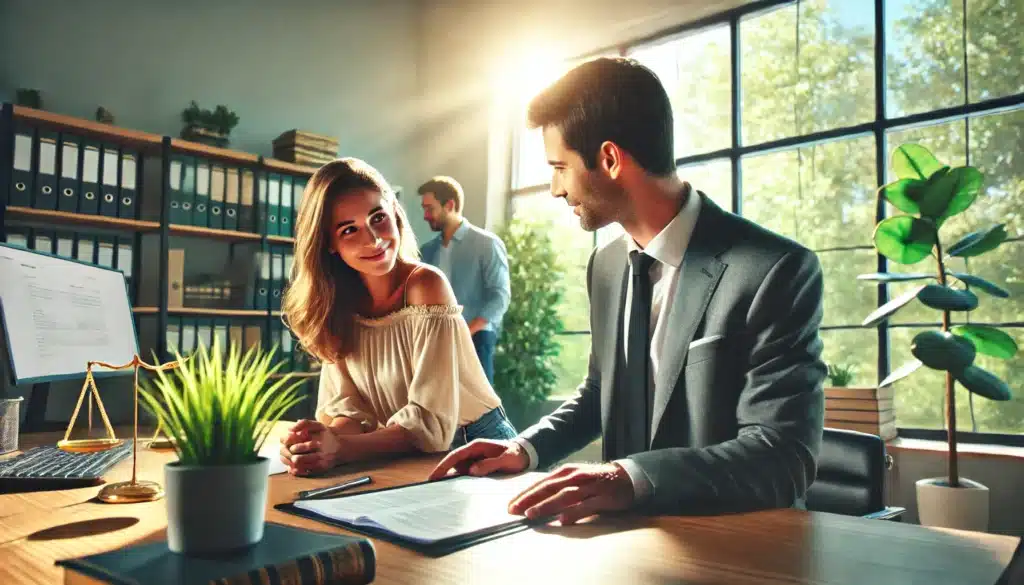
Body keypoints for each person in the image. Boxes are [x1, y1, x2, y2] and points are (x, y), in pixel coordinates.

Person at [429, 57, 827, 525]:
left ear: (611, 159)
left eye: (560, 167)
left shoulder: (774, 270)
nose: (556, 189)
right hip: (624, 546)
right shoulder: (607, 264)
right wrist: (525, 448)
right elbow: (602, 391)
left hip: (739, 545)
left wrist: (627, 477)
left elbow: (782, 457)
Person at [278, 158, 517, 476]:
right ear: (329, 244)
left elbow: (430, 424)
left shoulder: (426, 285)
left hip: (475, 447)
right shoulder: (338, 306)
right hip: (405, 451)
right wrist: (318, 443)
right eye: (349, 230)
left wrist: (341, 449)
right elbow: (350, 410)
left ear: (395, 213)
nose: (373, 239)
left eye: (378, 217)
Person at [418, 176, 510, 383]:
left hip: (476, 340)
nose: (425, 215)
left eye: (429, 208)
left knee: (479, 411)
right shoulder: (427, 251)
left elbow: (500, 298)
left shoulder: (486, 244)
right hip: (436, 343)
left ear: (449, 205)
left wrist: (465, 331)